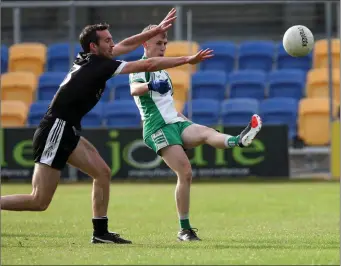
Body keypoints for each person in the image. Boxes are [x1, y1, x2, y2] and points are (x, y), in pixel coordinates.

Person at [0, 8, 214, 244]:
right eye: (108, 41)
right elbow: (148, 63)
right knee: (39, 201)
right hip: (56, 129)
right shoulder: (100, 66)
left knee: (102, 173)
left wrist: (156, 31)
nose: (114, 44)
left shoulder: (91, 58)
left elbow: (126, 45)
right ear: (94, 46)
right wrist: (187, 59)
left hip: (67, 129)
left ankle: (100, 233)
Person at [129, 24, 262, 242]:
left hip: (175, 121)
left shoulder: (161, 69)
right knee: (186, 173)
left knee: (207, 133)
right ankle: (184, 230)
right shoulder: (139, 67)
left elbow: (168, 107)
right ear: (145, 43)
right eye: (158, 43)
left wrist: (190, 124)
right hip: (156, 127)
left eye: (164, 43)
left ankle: (240, 140)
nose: (163, 47)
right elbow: (134, 90)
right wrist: (151, 85)